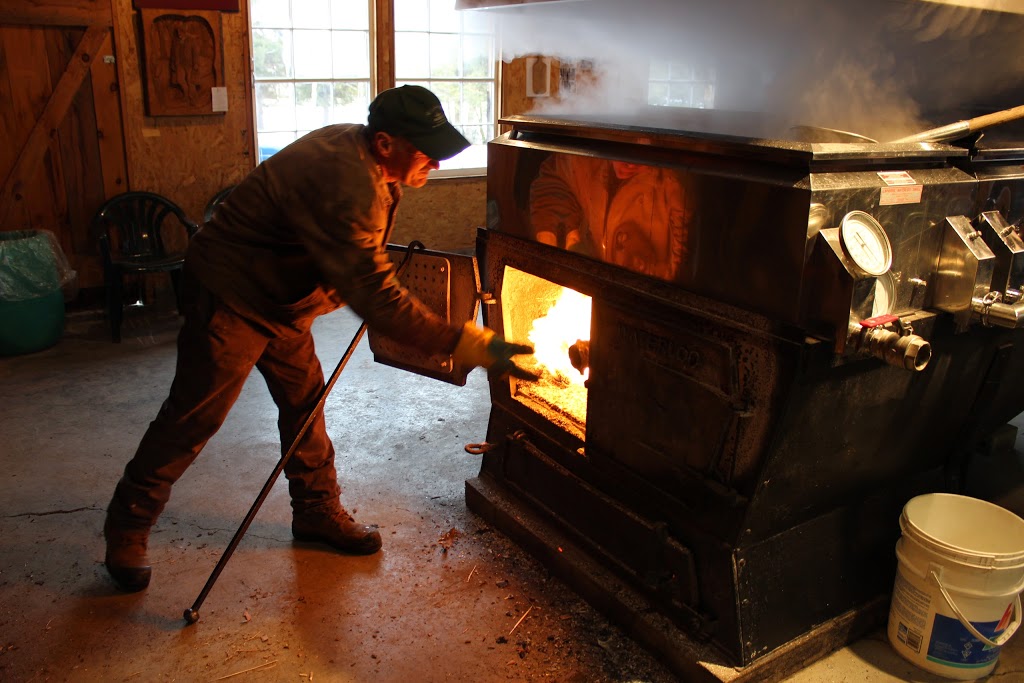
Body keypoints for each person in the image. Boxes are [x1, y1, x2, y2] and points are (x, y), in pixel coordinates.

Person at [103, 85, 535, 593]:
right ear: (384, 143)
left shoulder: (366, 158)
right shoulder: (347, 179)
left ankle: (315, 512)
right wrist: (464, 342)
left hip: (282, 299)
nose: (436, 165)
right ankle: (128, 525)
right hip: (233, 295)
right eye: (426, 150)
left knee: (305, 405)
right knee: (195, 414)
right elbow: (376, 296)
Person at [529, 155, 691, 281]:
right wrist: (554, 237)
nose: (629, 163)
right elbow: (556, 179)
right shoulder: (593, 162)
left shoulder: (670, 187)